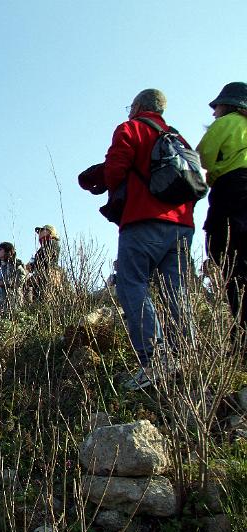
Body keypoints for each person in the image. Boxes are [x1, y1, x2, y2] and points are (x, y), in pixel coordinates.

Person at [103, 89, 196, 390]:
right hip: (182, 224)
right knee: (176, 291)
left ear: (139, 106)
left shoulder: (130, 128)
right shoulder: (177, 137)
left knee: (132, 284)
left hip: (143, 221)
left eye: (130, 105)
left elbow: (116, 169)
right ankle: (186, 357)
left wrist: (106, 183)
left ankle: (155, 361)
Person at [196, 82, 247, 332]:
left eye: (217, 107)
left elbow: (200, 157)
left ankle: (242, 339)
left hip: (233, 192)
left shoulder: (227, 123)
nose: (214, 112)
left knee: (229, 260)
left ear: (229, 104)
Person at [0, 242, 26, 316]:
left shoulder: (16, 264)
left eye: (1, 250)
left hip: (13, 299)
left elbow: (20, 280)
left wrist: (4, 283)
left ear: (8, 251)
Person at [25, 224, 64, 301]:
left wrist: (32, 265)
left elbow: (45, 260)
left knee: (46, 300)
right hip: (42, 276)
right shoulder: (44, 246)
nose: (39, 234)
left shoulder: (51, 243)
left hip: (48, 275)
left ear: (50, 232)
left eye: (42, 231)